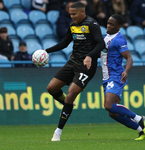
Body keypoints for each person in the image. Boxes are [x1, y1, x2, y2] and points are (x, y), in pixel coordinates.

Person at [45, 2, 105, 141]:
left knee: (71, 94)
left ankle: (58, 132)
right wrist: (46, 51)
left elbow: (101, 43)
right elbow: (64, 43)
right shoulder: (72, 26)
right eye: (70, 14)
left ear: (82, 13)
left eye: (74, 14)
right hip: (72, 62)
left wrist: (90, 56)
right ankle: (67, 103)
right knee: (51, 88)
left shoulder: (92, 24)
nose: (71, 17)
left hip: (86, 66)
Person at [101, 14, 145, 140]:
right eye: (108, 23)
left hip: (116, 75)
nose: (108, 25)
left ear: (118, 27)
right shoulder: (105, 38)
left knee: (108, 105)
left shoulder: (119, 39)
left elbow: (129, 58)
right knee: (113, 113)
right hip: (106, 77)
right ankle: (142, 130)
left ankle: (140, 118)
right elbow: (103, 55)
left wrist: (126, 71)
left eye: (112, 24)